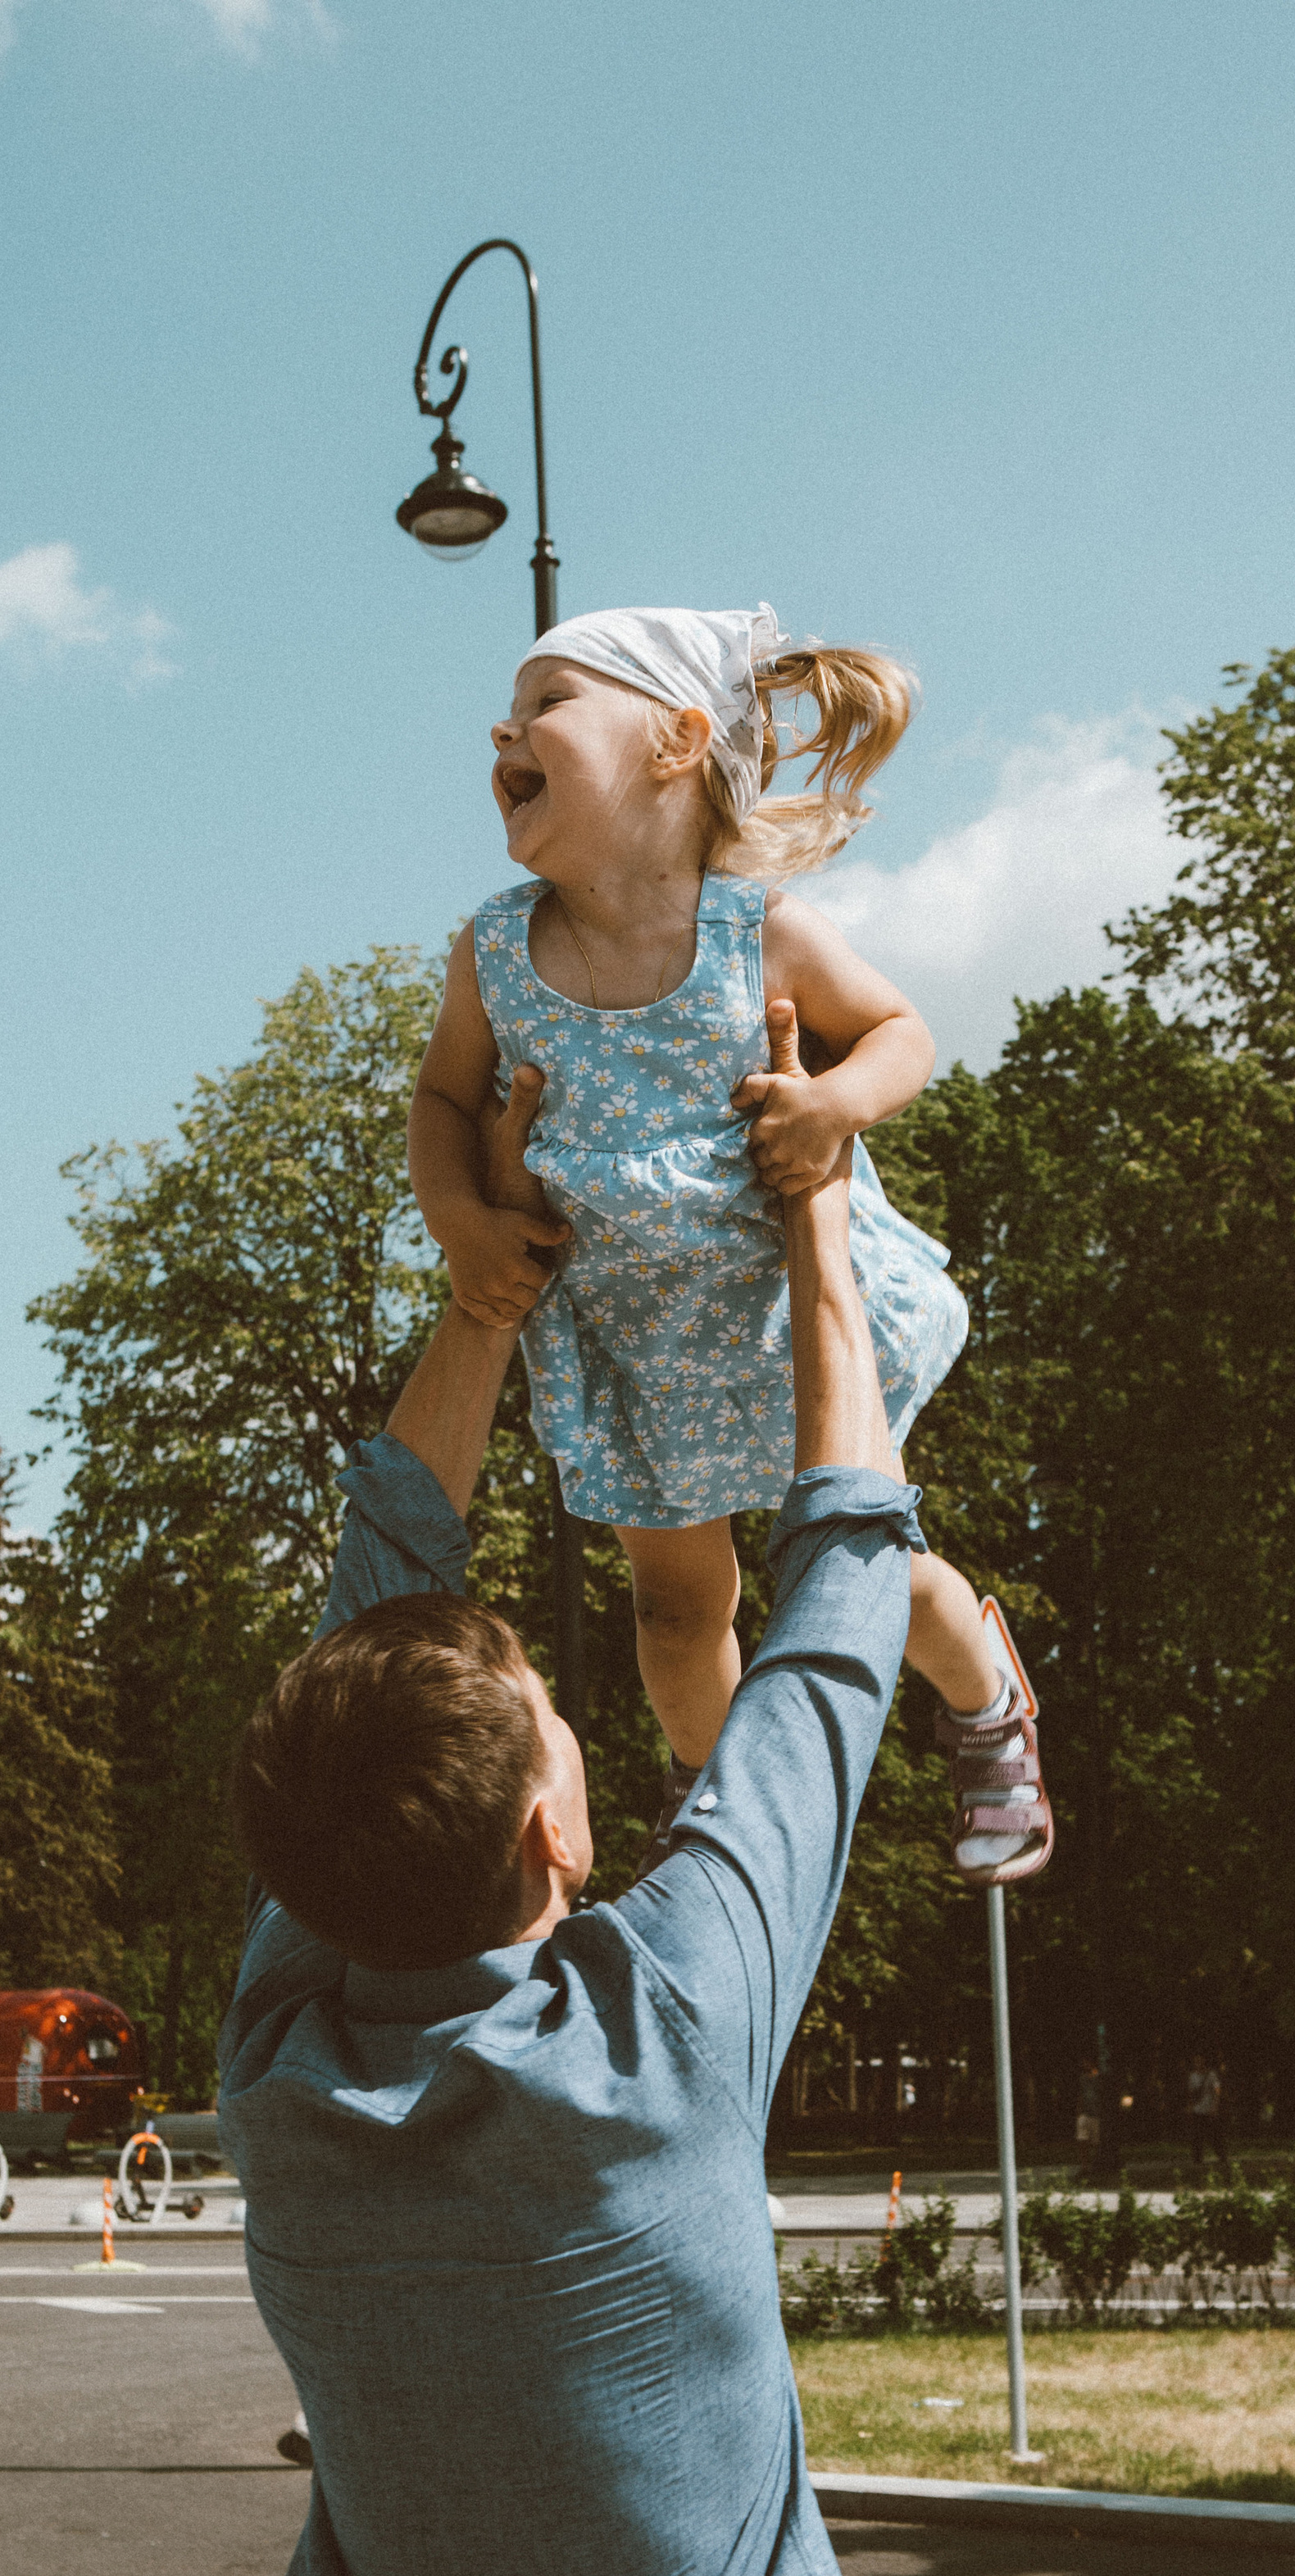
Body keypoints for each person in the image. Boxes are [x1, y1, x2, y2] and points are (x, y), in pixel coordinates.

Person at [220, 1084, 925, 2576]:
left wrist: (485, 1300)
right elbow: (841, 1601)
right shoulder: (660, 2031)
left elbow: (801, 1611)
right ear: (556, 1818)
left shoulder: (283, 2063)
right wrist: (812, 1245)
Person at [407, 602, 1051, 1886]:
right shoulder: (496, 954)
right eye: (510, 708)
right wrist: (461, 1221)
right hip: (642, 1348)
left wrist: (834, 1107)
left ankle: (988, 1699)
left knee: (866, 1572)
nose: (506, 727)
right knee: (673, 1613)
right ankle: (715, 1802)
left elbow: (901, 1034)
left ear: (677, 743)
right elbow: (439, 1101)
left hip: (781, 1324)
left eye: (548, 703)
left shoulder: (757, 934)